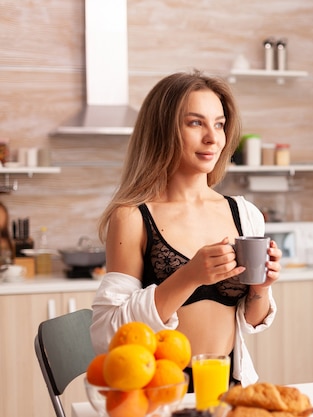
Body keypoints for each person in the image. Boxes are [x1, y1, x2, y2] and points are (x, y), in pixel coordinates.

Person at [90, 70, 282, 388]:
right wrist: (189, 276)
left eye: (219, 124)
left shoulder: (245, 215)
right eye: (196, 123)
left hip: (228, 390)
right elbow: (108, 335)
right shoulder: (132, 217)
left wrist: (261, 287)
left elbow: (252, 320)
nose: (213, 138)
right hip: (162, 396)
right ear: (163, 130)